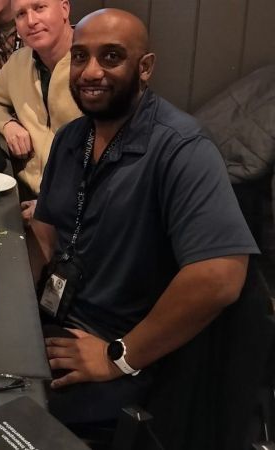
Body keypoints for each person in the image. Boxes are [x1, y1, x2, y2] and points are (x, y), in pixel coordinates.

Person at [32, 8, 259, 424]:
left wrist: (117, 356)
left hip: (124, 357)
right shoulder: (71, 138)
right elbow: (47, 230)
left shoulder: (182, 147)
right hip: (54, 326)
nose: (90, 72)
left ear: (145, 67)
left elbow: (221, 276)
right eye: (80, 57)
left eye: (111, 57)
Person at [0, 0, 82, 221]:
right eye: (21, 14)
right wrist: (7, 124)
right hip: (26, 196)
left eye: (39, 8)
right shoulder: (19, 61)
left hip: (77, 210)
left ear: (64, 8)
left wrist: (52, 205)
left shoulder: (92, 65)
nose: (31, 21)